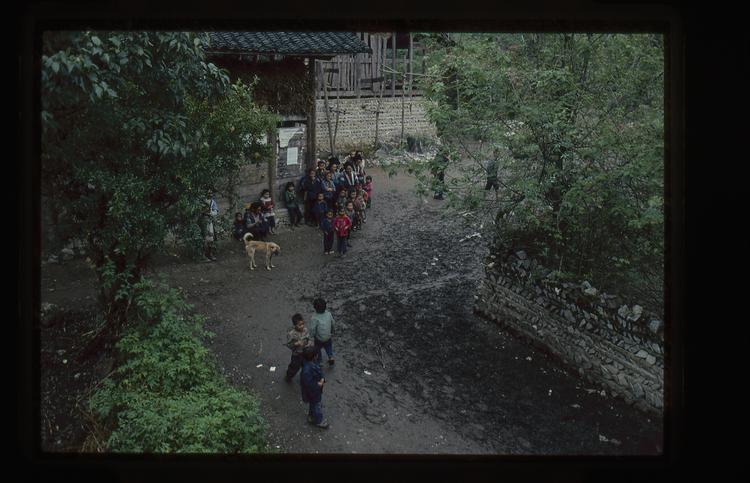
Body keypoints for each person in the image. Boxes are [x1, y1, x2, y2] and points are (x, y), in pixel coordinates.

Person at [300, 346, 329, 428]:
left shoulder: (309, 364)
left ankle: (311, 416)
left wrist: (322, 378)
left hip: (313, 391)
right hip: (313, 392)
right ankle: (319, 421)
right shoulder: (307, 370)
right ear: (314, 356)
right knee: (317, 405)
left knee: (313, 404)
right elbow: (308, 384)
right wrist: (319, 384)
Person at [285, 313, 314, 382]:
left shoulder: (305, 330)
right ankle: (289, 376)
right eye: (300, 325)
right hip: (296, 354)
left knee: (306, 366)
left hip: (305, 353)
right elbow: (289, 344)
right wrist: (295, 344)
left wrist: (309, 344)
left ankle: (304, 377)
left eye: (303, 324)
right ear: (295, 325)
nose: (302, 326)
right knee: (294, 367)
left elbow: (308, 339)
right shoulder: (291, 334)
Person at [307, 297, 335, 366]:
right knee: (329, 347)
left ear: (315, 308)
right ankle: (330, 357)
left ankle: (320, 360)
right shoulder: (328, 314)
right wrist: (332, 331)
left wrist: (311, 337)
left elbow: (312, 329)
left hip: (319, 339)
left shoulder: (314, 317)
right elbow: (333, 323)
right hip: (328, 337)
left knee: (317, 348)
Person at [199, 193, 219, 261]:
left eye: (211, 193)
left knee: (211, 238)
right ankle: (203, 255)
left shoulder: (213, 202)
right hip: (202, 220)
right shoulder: (201, 200)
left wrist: (210, 213)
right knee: (203, 237)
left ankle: (210, 254)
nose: (210, 194)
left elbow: (215, 211)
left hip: (209, 220)